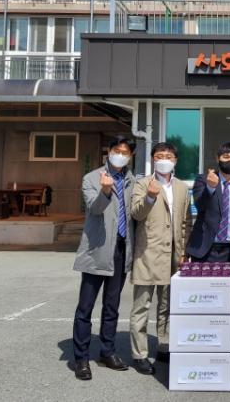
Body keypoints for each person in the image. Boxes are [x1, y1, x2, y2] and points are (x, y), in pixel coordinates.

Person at [72, 135, 136, 381]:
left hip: (121, 249)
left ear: (130, 156)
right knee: (85, 307)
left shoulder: (132, 180)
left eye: (125, 152)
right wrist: (106, 190)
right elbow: (94, 208)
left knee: (112, 306)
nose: (120, 155)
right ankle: (81, 358)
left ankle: (107, 352)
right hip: (97, 250)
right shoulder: (91, 177)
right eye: (116, 150)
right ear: (109, 152)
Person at [129, 142, 192, 375]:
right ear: (153, 159)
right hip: (148, 253)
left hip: (174, 255)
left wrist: (184, 251)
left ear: (175, 161)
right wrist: (149, 197)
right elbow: (136, 213)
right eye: (159, 156)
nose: (164, 159)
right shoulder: (142, 183)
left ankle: (164, 345)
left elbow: (186, 222)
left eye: (168, 156)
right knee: (141, 306)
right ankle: (140, 354)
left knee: (167, 305)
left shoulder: (182, 187)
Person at [186, 142, 230, 263]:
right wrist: (210, 187)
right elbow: (199, 205)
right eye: (226, 157)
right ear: (217, 158)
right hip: (204, 249)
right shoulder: (203, 179)